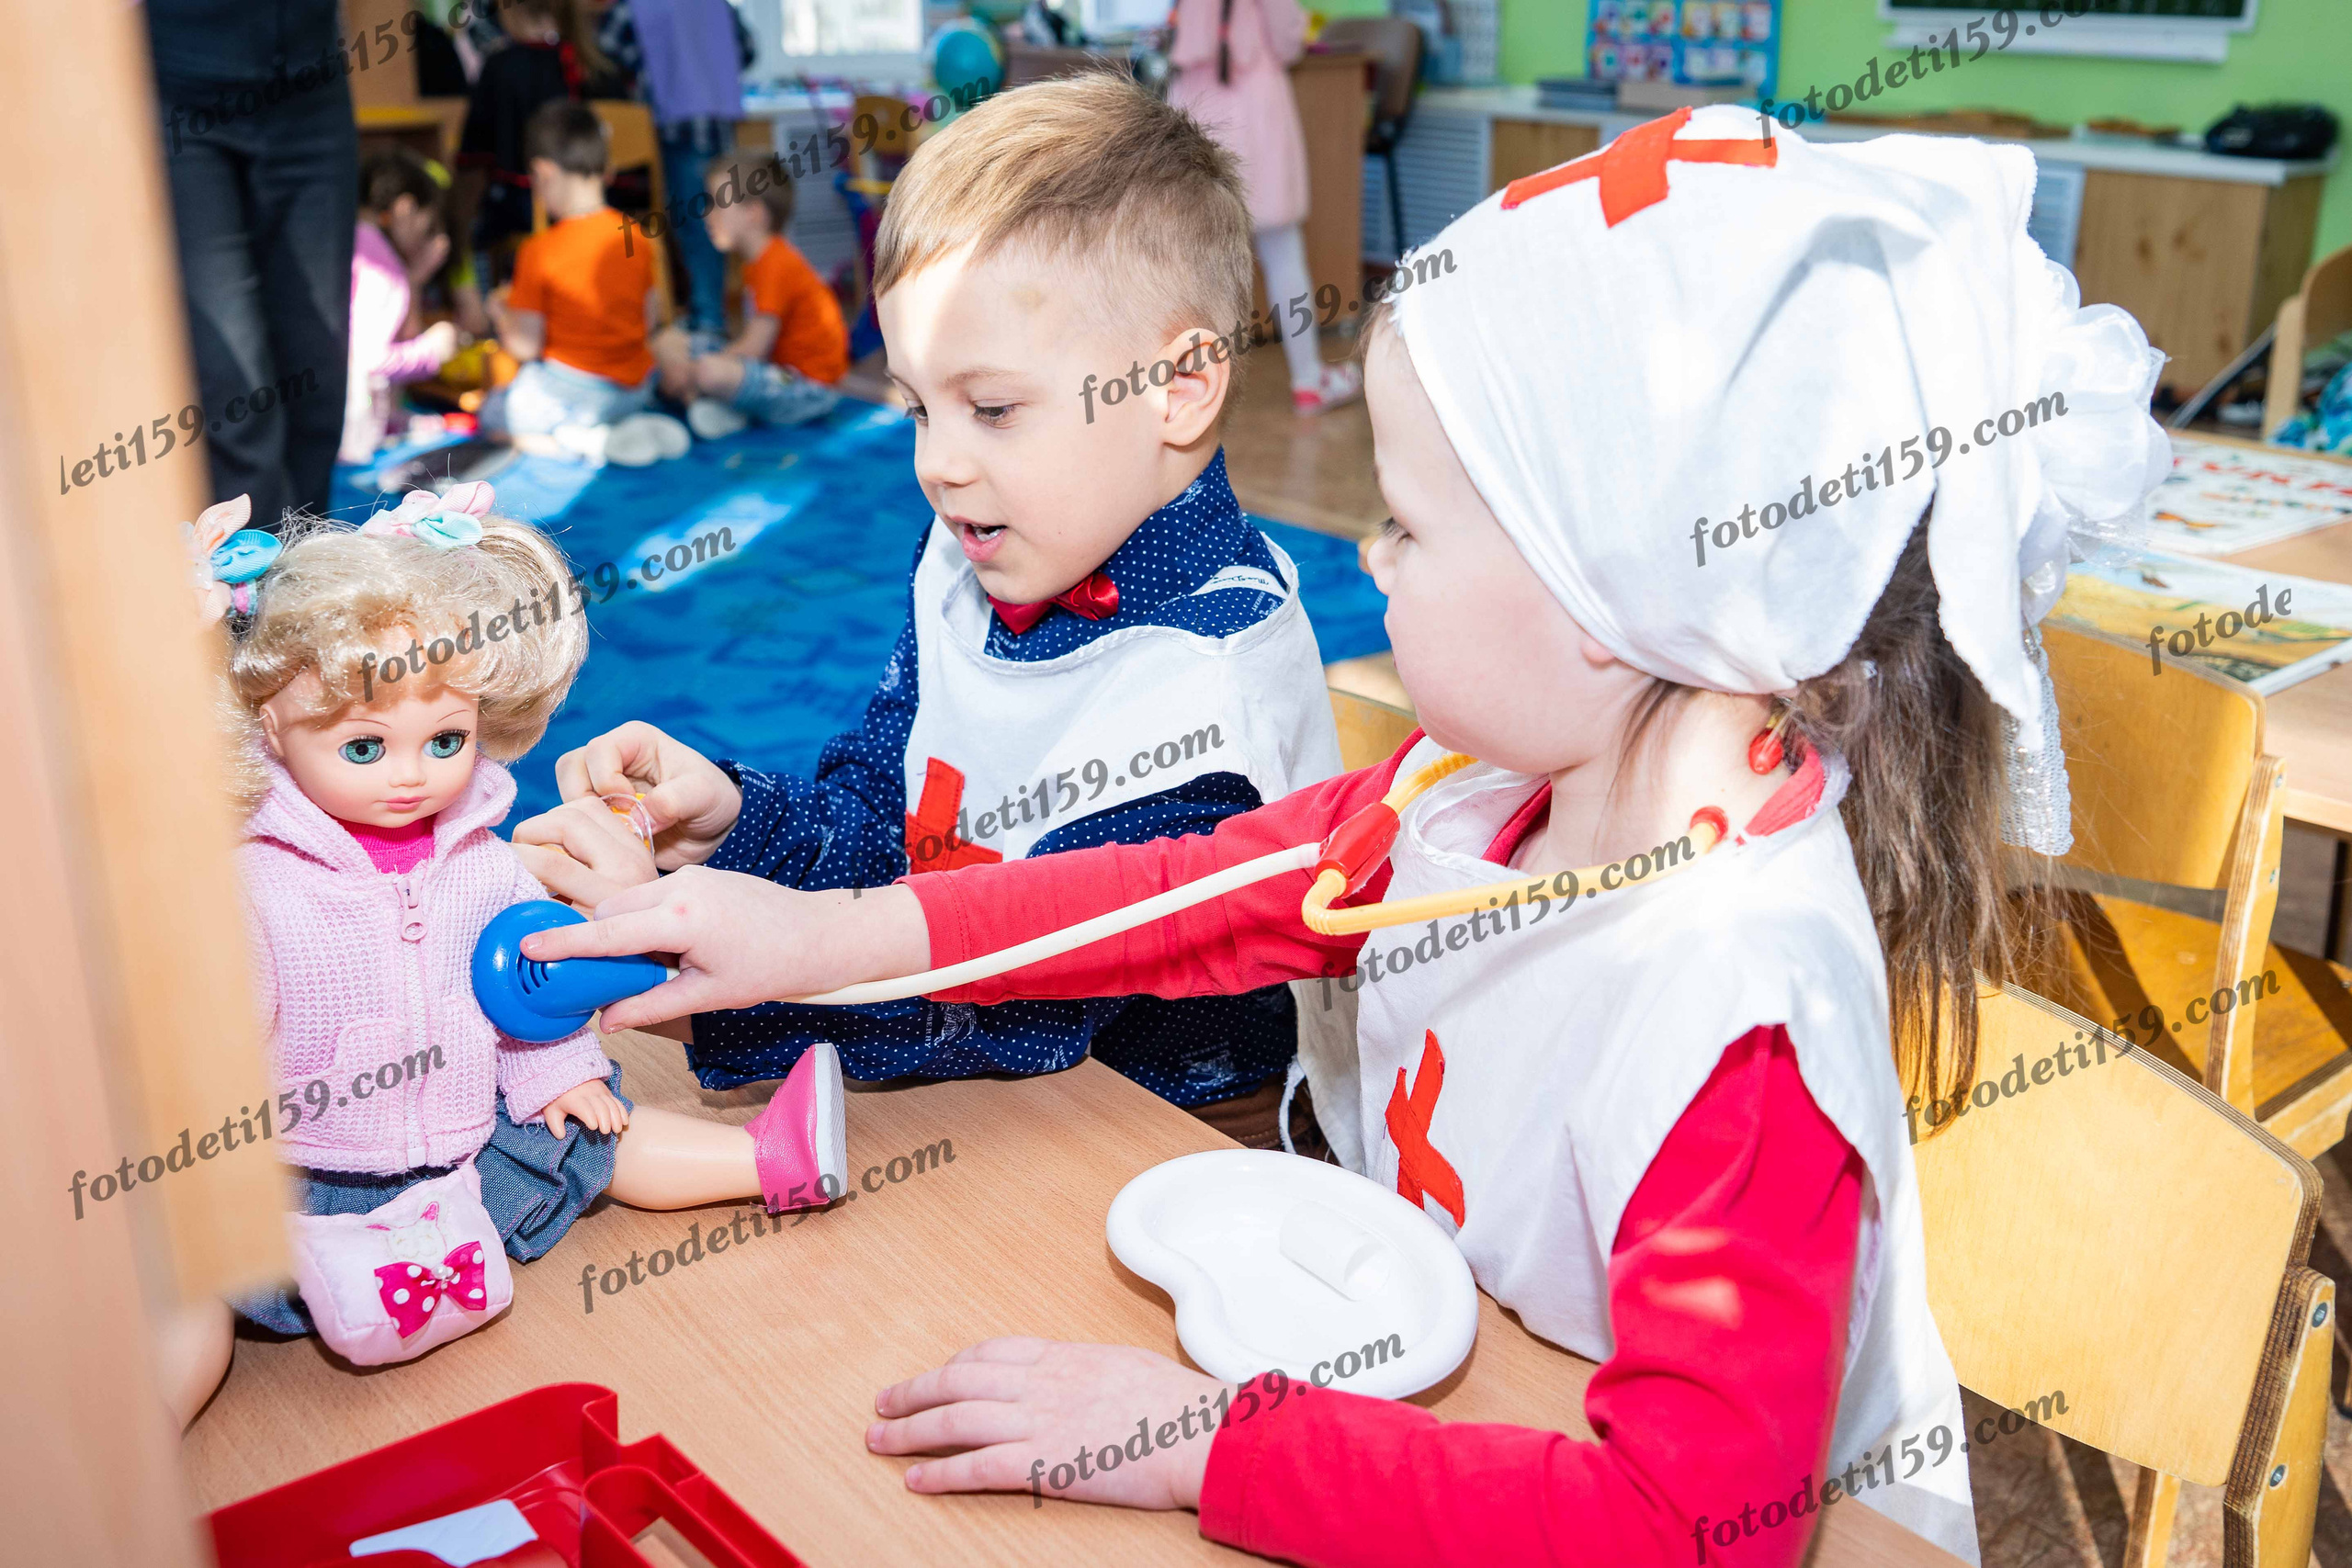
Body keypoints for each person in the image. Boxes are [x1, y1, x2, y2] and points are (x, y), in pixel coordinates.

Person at [519, 107, 2172, 1564]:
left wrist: (1193, 1445)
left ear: (1611, 599)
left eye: (1409, 522)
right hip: (1446, 1410)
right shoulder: (1479, 786)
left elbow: (1676, 1530)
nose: (1368, 565)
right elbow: (1178, 896)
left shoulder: (1736, 1020)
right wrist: (809, 936)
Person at [511, 75, 1344, 1152]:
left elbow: (1008, 1007)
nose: (938, 466)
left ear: (1178, 388)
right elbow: (887, 805)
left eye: (992, 409)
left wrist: (694, 956)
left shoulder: (1203, 693)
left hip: (1174, 1131)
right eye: (915, 407)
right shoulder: (979, 548)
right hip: (988, 1089)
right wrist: (733, 819)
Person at [154, 482, 844, 1425]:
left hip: (459, 1142)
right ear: (268, 722)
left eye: (446, 738)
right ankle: (124, 1455)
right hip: (299, 1176)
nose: (412, 774)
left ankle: (776, 1159)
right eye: (364, 747)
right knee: (187, 1295)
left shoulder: (484, 863)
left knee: (603, 1135)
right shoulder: (255, 886)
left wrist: (560, 1074)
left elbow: (531, 988)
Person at [145, 0, 355, 529]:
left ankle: (303, 582)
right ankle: (249, 597)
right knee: (236, 398)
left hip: (309, 83)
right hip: (180, 84)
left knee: (318, 387)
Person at [1168, 0, 1360, 413]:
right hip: (1252, 109)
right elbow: (1289, 39)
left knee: (1196, 266)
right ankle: (1309, 379)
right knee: (1283, 254)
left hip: (1193, 107)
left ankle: (1190, 388)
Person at [480, 101, 688, 466]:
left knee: (494, 411)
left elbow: (526, 346)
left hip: (572, 396)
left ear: (543, 173)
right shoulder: (637, 237)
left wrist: (501, 313)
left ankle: (583, 442)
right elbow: (650, 319)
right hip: (634, 389)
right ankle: (626, 424)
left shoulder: (539, 250)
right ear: (606, 171)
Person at [653, 155, 848, 438]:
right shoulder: (758, 262)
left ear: (753, 214)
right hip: (776, 371)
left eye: (717, 204)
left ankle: (706, 400)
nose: (707, 214)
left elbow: (753, 348)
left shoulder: (776, 263)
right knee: (670, 340)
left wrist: (693, 371)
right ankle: (713, 403)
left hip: (807, 387)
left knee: (710, 370)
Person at [598, 0, 757, 338]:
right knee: (717, 221)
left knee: (696, 225)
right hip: (719, 122)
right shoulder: (719, 7)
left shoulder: (635, 8)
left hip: (676, 127)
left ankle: (709, 322)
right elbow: (747, 50)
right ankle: (712, 316)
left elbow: (602, 51)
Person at [459, 0, 621, 260]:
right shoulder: (597, 67)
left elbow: (473, 157)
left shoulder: (501, 68)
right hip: (607, 203)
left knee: (474, 226)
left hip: (527, 210)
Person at [342, 152, 466, 464]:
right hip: (351, 437)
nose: (429, 236)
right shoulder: (383, 264)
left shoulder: (351, 239)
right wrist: (432, 351)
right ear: (405, 208)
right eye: (429, 223)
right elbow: (371, 359)